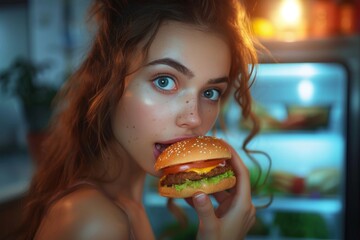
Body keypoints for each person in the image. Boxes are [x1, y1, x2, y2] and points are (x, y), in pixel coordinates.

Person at [16, 0, 263, 239]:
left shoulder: (127, 202)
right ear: (110, 82)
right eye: (164, 81)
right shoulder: (95, 222)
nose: (194, 118)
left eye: (210, 93)